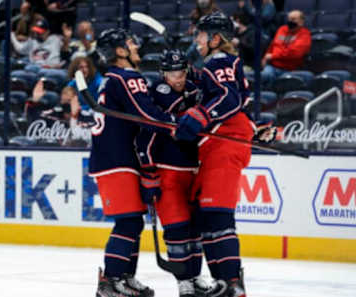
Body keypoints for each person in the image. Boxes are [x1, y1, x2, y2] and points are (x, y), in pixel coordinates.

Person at [174, 12, 277, 297]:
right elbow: (233, 99)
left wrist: (202, 114)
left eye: (201, 34)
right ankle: (223, 283)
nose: (197, 39)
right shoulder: (214, 63)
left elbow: (228, 98)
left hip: (224, 145)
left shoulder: (219, 61)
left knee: (218, 217)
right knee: (208, 218)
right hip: (218, 145)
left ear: (216, 38)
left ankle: (232, 283)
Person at [89, 28, 180, 297]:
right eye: (130, 43)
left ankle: (125, 278)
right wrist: (175, 124)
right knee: (127, 224)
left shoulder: (113, 78)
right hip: (117, 161)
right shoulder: (125, 76)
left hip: (117, 159)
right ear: (119, 51)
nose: (136, 46)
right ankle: (110, 282)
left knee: (133, 222)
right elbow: (144, 114)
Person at [136, 49, 220, 297]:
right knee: (176, 229)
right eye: (173, 73)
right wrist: (148, 172)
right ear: (163, 74)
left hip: (194, 170)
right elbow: (145, 139)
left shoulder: (192, 88)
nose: (178, 77)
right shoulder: (158, 95)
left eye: (181, 72)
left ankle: (195, 274)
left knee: (195, 228)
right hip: (168, 172)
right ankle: (183, 279)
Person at [260, 9, 311, 87]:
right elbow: (273, 46)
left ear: (301, 21)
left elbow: (295, 53)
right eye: (289, 19)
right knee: (263, 76)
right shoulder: (282, 29)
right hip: (273, 67)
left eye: (293, 19)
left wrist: (273, 55)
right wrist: (265, 57)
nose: (290, 21)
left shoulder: (305, 34)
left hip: (291, 70)